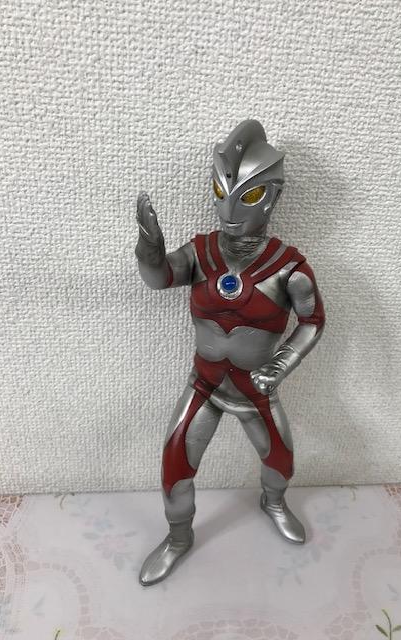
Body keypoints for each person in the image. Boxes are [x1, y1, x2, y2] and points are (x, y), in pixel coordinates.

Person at [135, 119, 325, 586]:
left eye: (248, 195)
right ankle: (179, 538)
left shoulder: (289, 268)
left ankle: (273, 502)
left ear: (273, 197)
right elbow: (160, 279)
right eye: (221, 192)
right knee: (174, 462)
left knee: (281, 463)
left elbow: (313, 321)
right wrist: (150, 248)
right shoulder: (201, 252)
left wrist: (282, 363)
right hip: (204, 383)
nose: (230, 209)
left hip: (256, 389)